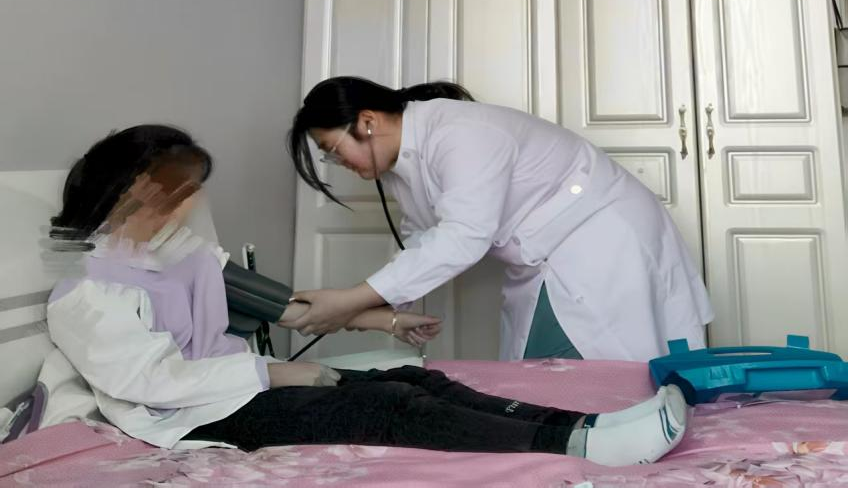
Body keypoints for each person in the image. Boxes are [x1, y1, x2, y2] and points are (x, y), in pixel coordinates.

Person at [39, 124, 688, 465]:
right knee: (392, 404)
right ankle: (581, 448)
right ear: (129, 192)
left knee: (415, 378)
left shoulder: (182, 253)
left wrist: (385, 321)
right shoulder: (85, 293)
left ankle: (585, 427)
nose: (191, 204)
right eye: (178, 191)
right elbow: (153, 382)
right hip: (190, 416)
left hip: (240, 388)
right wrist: (276, 371)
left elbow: (283, 306)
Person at [287, 77, 714, 362]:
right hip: (547, 254)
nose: (338, 163)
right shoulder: (402, 166)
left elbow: (463, 238)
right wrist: (386, 312)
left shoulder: (459, 133)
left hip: (599, 242)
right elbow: (423, 241)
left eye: (333, 150)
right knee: (542, 378)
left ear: (367, 121)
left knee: (583, 376)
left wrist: (352, 300)